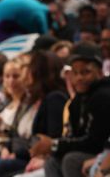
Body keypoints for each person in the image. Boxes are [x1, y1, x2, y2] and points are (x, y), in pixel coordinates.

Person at [29, 42, 110, 177]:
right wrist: (49, 147)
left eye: (86, 72)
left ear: (100, 73)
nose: (79, 78)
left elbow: (95, 142)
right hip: (90, 153)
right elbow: (73, 137)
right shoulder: (77, 101)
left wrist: (54, 145)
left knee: (70, 160)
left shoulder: (103, 96)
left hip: (100, 153)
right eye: (75, 72)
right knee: (52, 161)